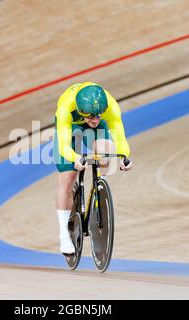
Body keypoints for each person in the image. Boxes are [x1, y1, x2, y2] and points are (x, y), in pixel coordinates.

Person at [54, 82, 133, 253]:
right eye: (91, 117)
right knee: (68, 178)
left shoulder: (109, 104)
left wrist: (123, 157)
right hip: (71, 127)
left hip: (89, 127)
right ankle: (63, 234)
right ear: (82, 112)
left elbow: (119, 135)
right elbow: (64, 146)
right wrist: (75, 158)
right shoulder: (65, 108)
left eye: (99, 115)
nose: (96, 120)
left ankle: (99, 186)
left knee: (106, 152)